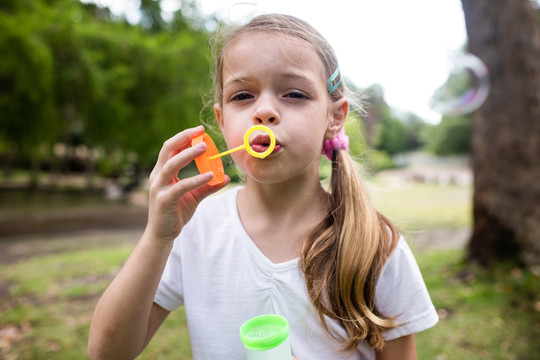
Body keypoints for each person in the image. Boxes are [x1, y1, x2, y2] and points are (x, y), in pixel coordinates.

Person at [88, 13, 438, 360]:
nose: (265, 111)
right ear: (223, 122)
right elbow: (107, 352)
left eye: (294, 94)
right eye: (242, 96)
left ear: (334, 118)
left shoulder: (375, 243)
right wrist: (158, 237)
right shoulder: (195, 228)